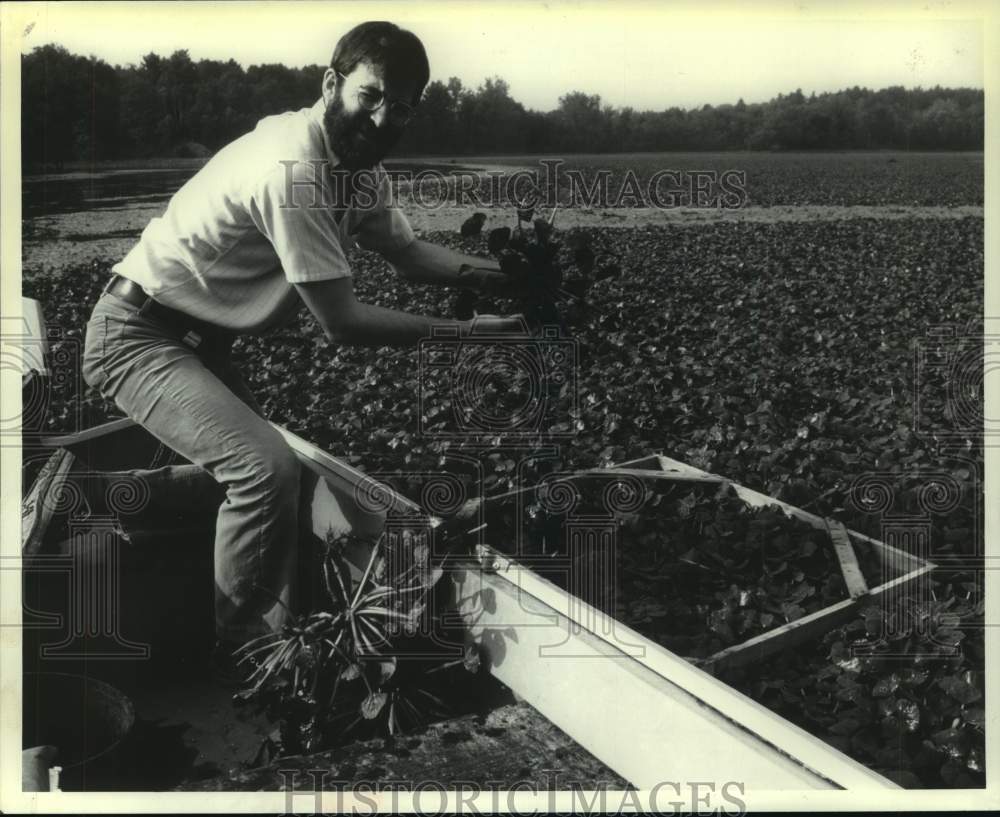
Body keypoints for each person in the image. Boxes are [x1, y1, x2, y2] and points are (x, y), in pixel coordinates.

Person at [80, 21, 522, 675]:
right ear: (330, 84)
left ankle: (98, 494)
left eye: (400, 106)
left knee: (261, 477)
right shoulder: (295, 167)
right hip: (136, 334)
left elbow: (406, 253)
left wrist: (507, 278)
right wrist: (466, 335)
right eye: (370, 95)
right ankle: (248, 659)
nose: (382, 117)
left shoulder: (356, 168)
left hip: (196, 340)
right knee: (265, 471)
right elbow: (340, 322)